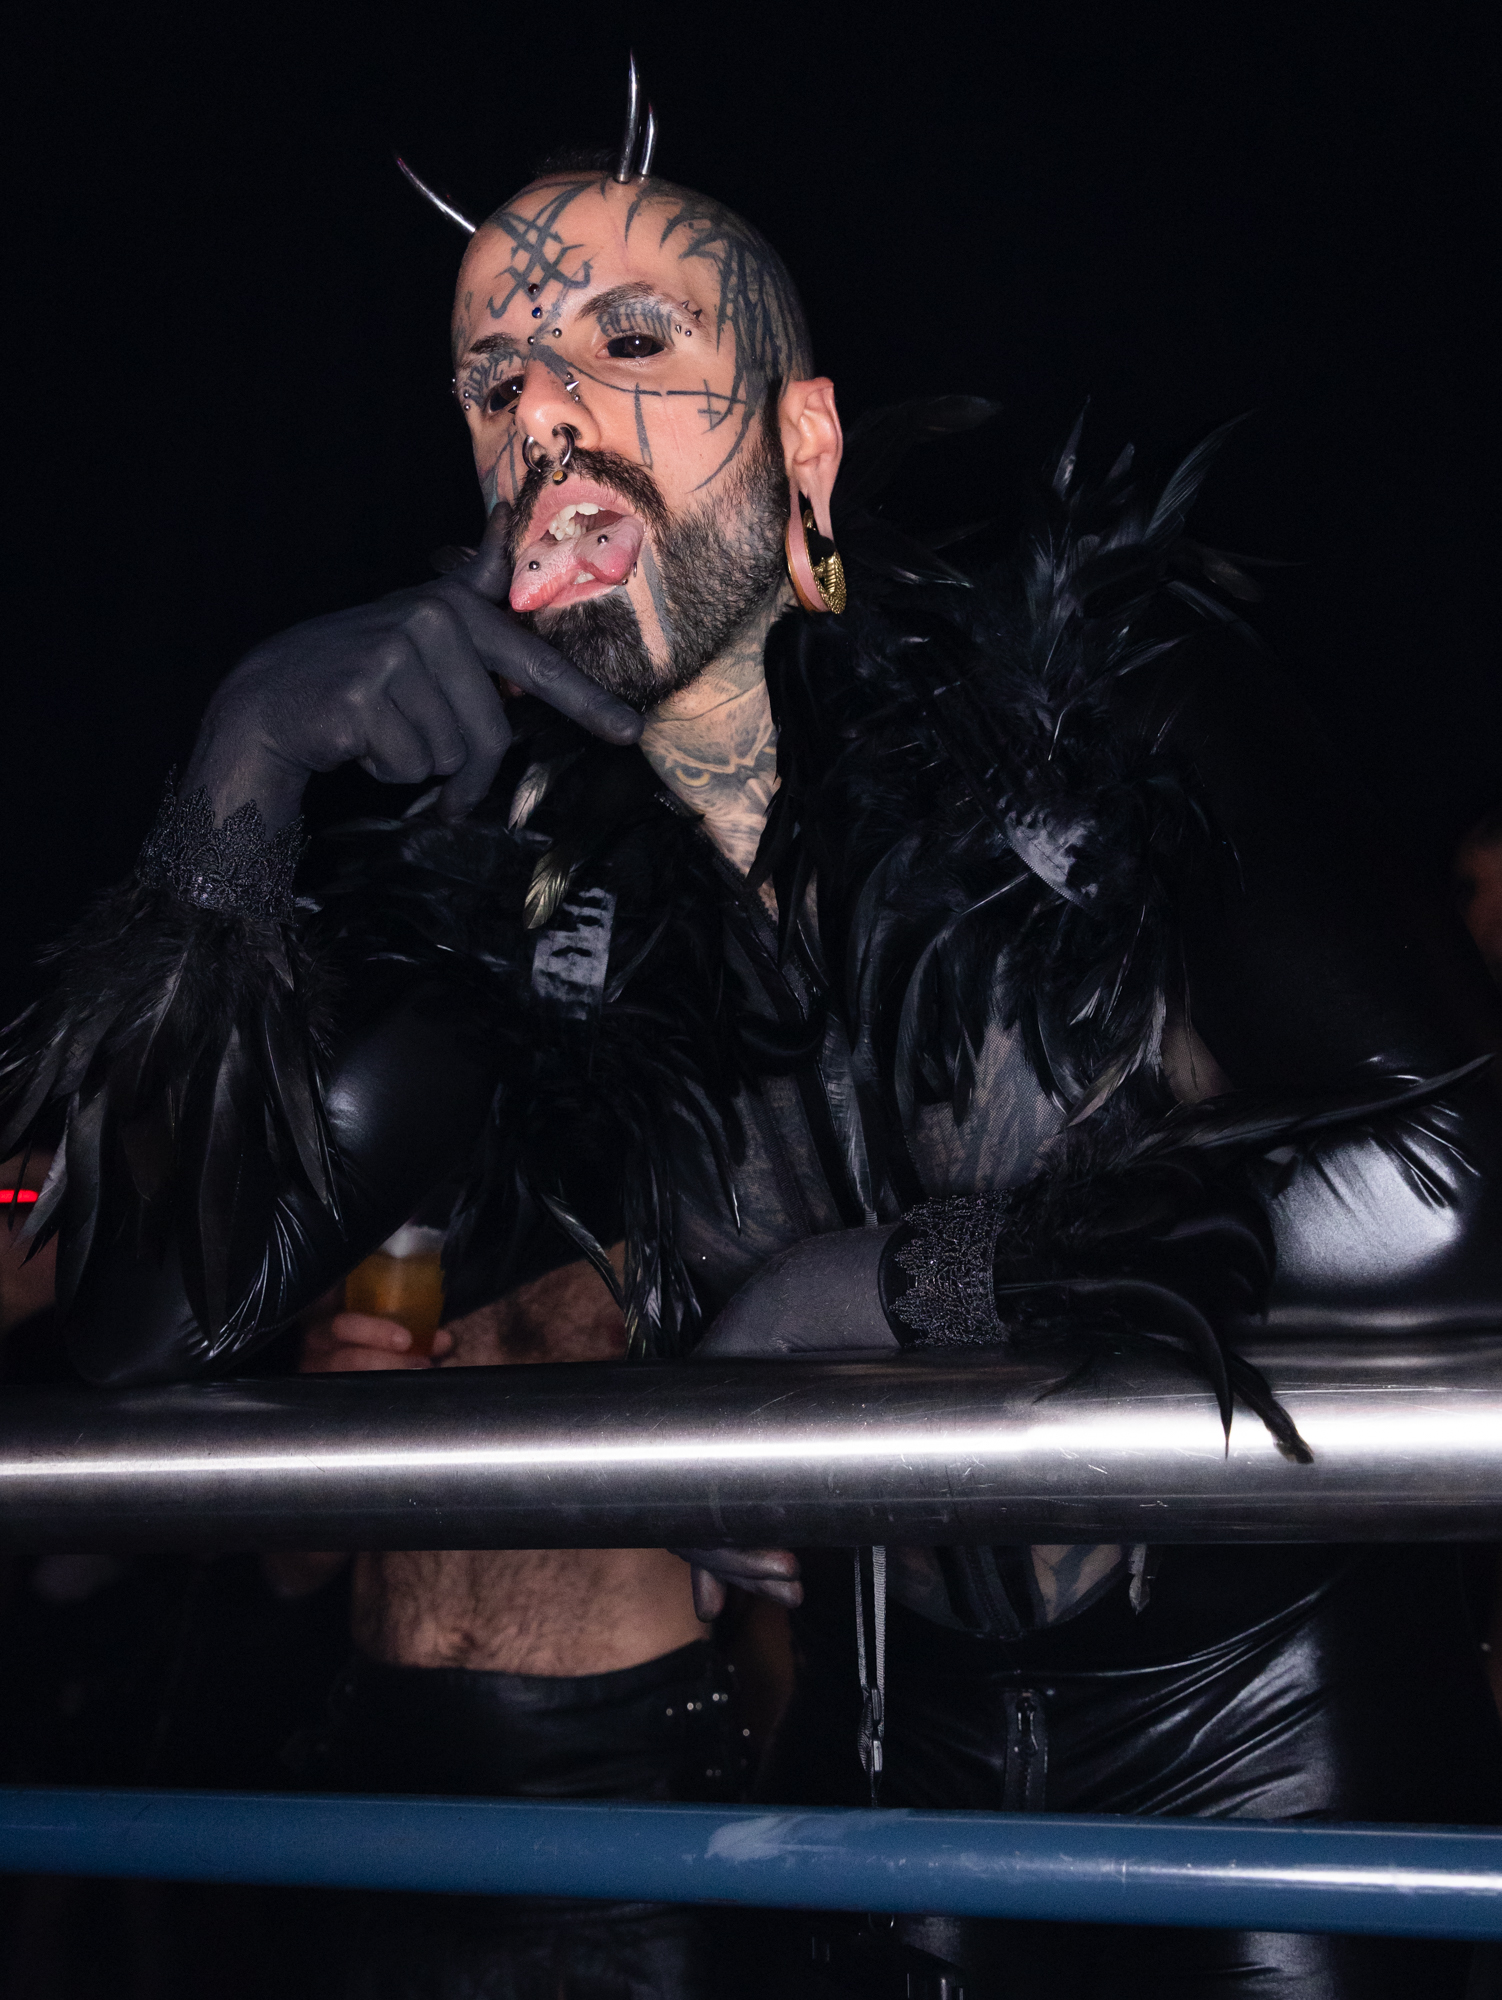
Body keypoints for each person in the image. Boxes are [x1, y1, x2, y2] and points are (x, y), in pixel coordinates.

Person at [4, 76, 1502, 2000]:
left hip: (1267, 1760)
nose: (545, 415)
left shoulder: (1091, 716)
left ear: (804, 443)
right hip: (877, 1774)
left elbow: (1443, 1181)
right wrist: (236, 795)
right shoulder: (541, 891)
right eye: (492, 385)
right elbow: (146, 1317)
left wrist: (864, 1287)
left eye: (630, 345)